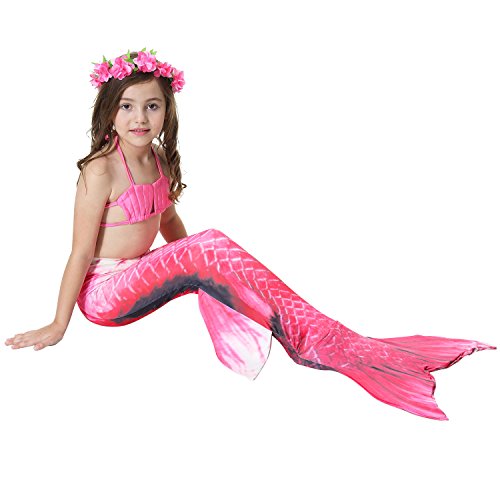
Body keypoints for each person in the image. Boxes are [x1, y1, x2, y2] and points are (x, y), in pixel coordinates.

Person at [5, 48, 495, 420]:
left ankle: (321, 335)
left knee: (208, 247)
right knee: (210, 245)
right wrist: (58, 324)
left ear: (167, 111)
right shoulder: (100, 170)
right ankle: (303, 337)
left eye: (152, 107)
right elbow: (79, 253)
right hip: (104, 295)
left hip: (140, 276)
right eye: (127, 106)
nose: (140, 118)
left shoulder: (158, 159)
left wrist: (202, 268)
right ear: (109, 111)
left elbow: (170, 226)